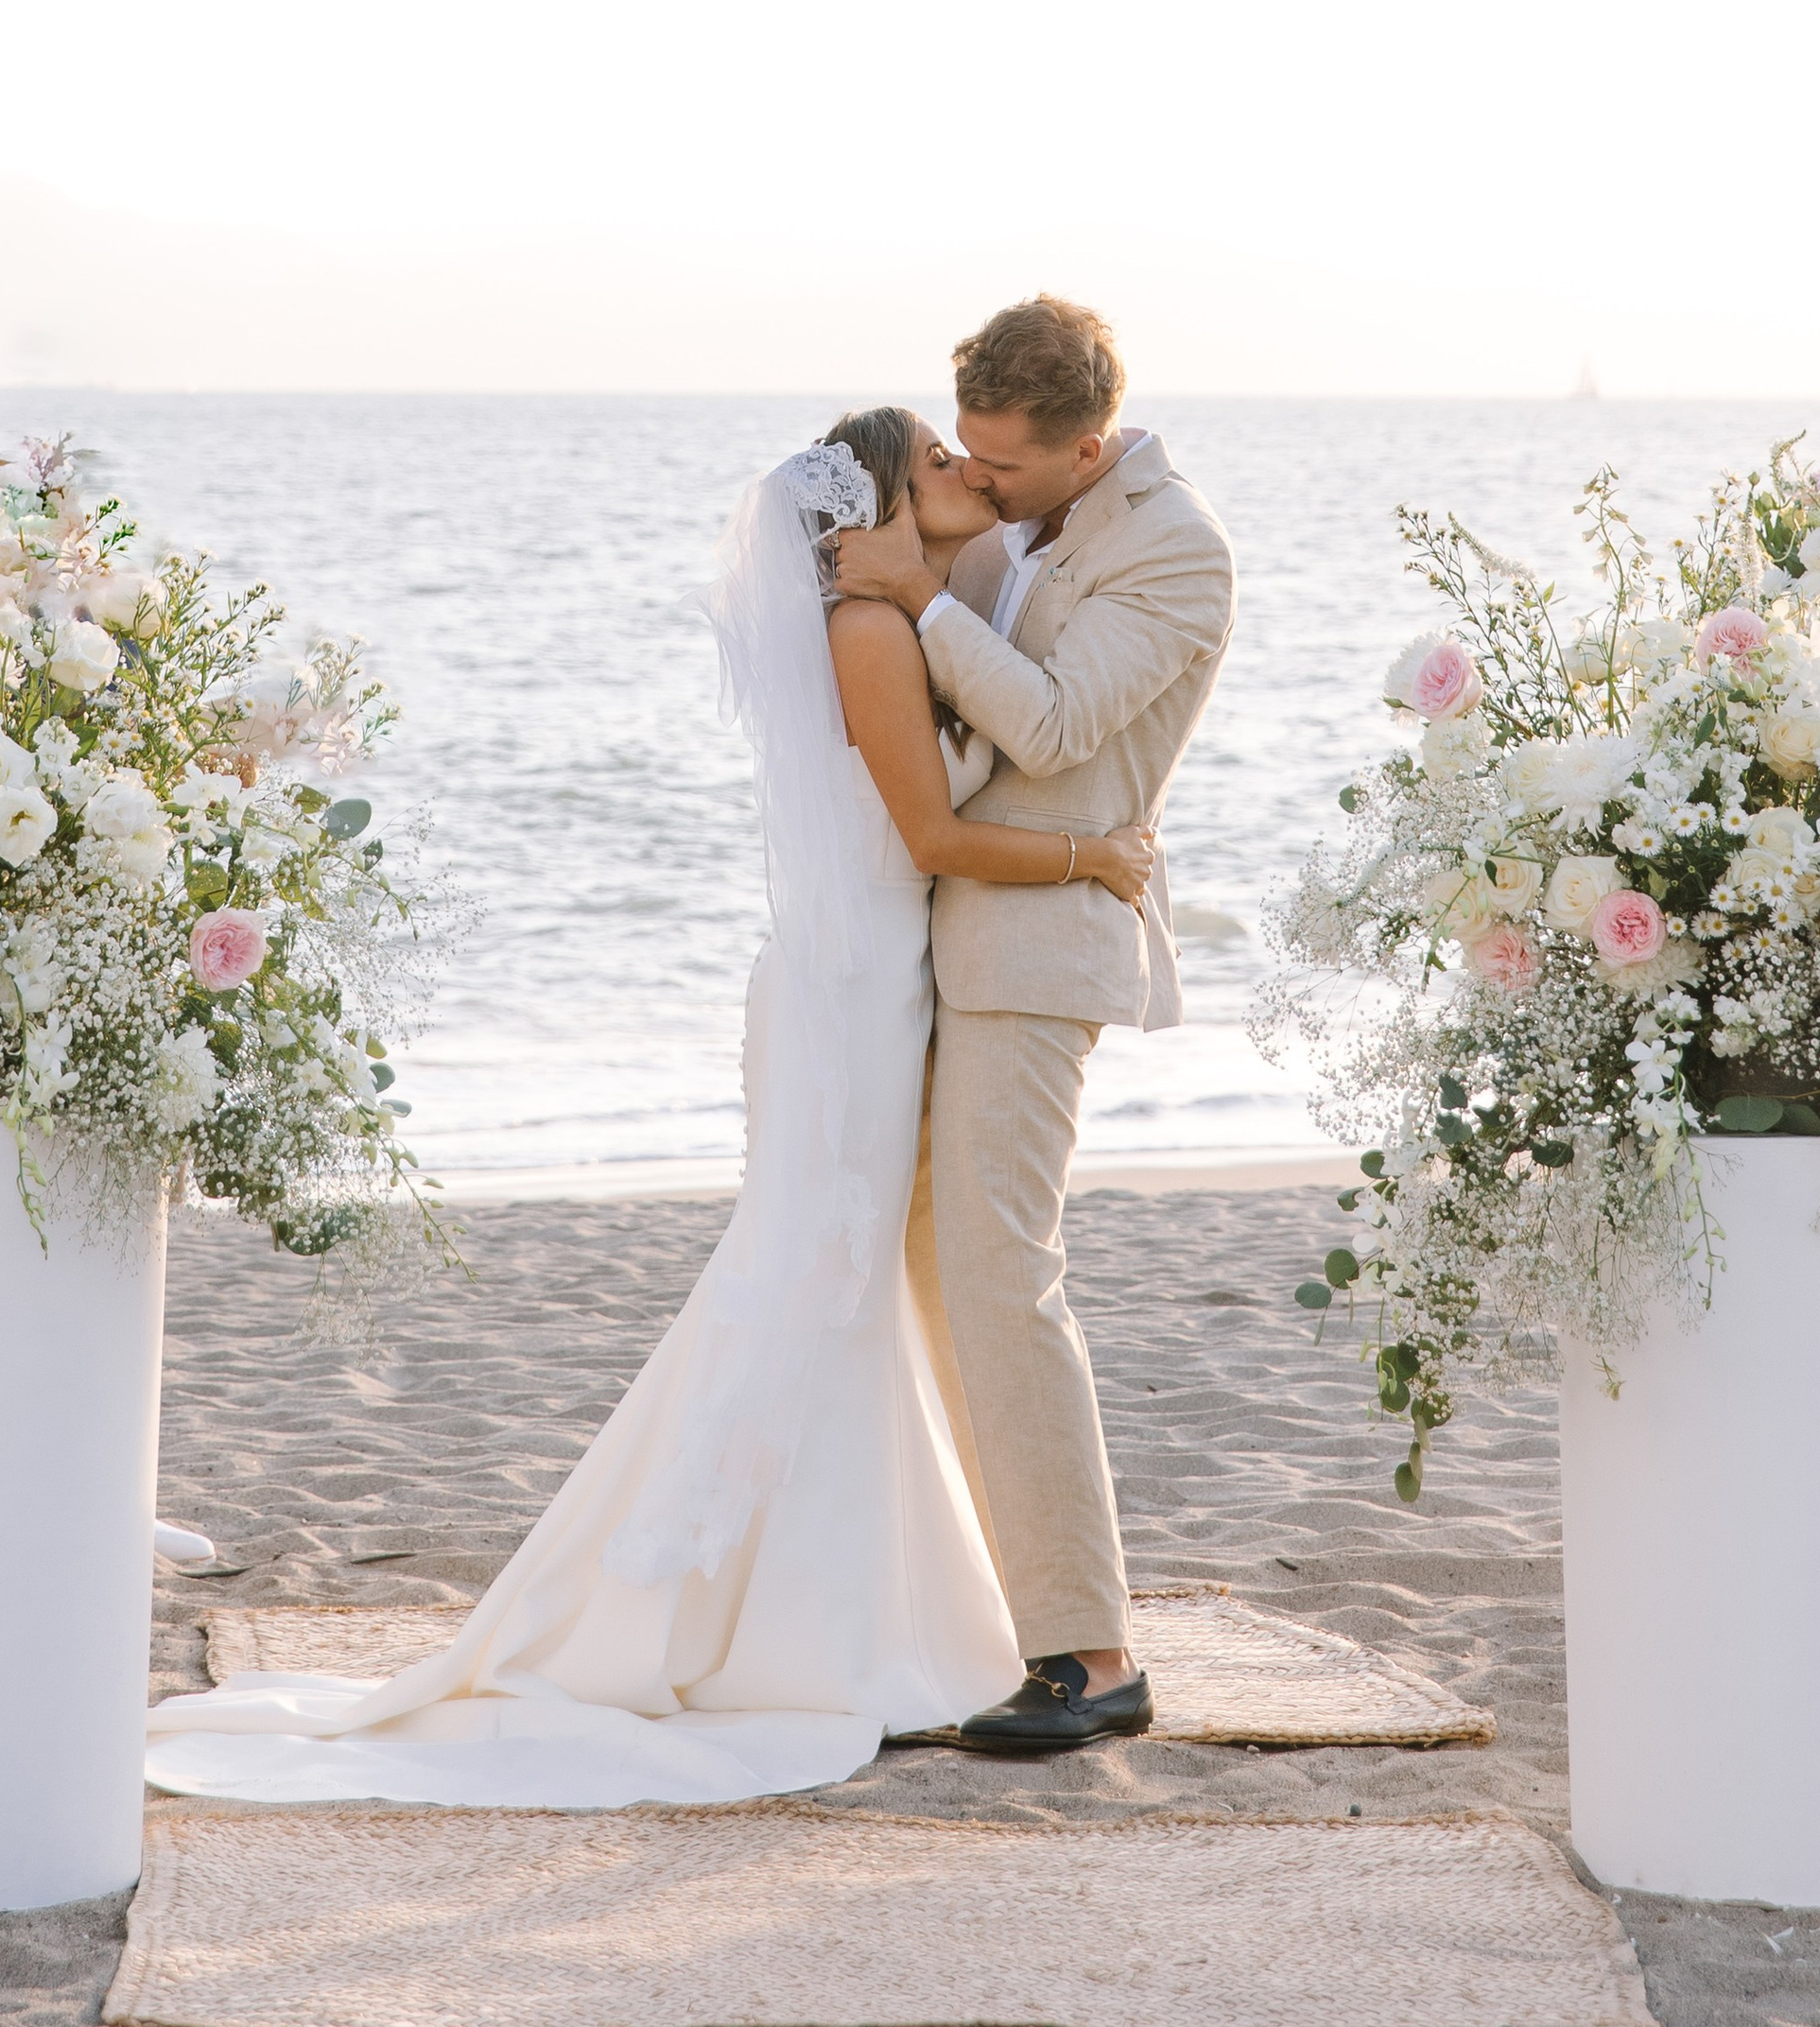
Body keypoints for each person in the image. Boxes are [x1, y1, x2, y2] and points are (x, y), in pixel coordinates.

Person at [140, 400, 1156, 1809]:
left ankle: (859, 1602)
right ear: (868, 504)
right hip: (853, 991)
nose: (964, 471)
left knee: (837, 1283)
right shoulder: (867, 632)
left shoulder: (900, 605)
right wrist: (1092, 853)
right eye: (934, 461)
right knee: (815, 1274)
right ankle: (766, 1617)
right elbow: (930, 833)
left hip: (868, 977)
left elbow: (995, 692)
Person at [828, 293, 1237, 1755]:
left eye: (1006, 465)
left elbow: (1057, 727)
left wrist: (921, 597)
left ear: (1092, 445)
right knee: (947, 1267)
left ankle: (1091, 1651)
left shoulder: (1175, 548)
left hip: (1044, 948)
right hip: (957, 935)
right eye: (971, 456)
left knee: (1007, 1273)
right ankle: (1003, 1610)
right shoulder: (1022, 520)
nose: (982, 484)